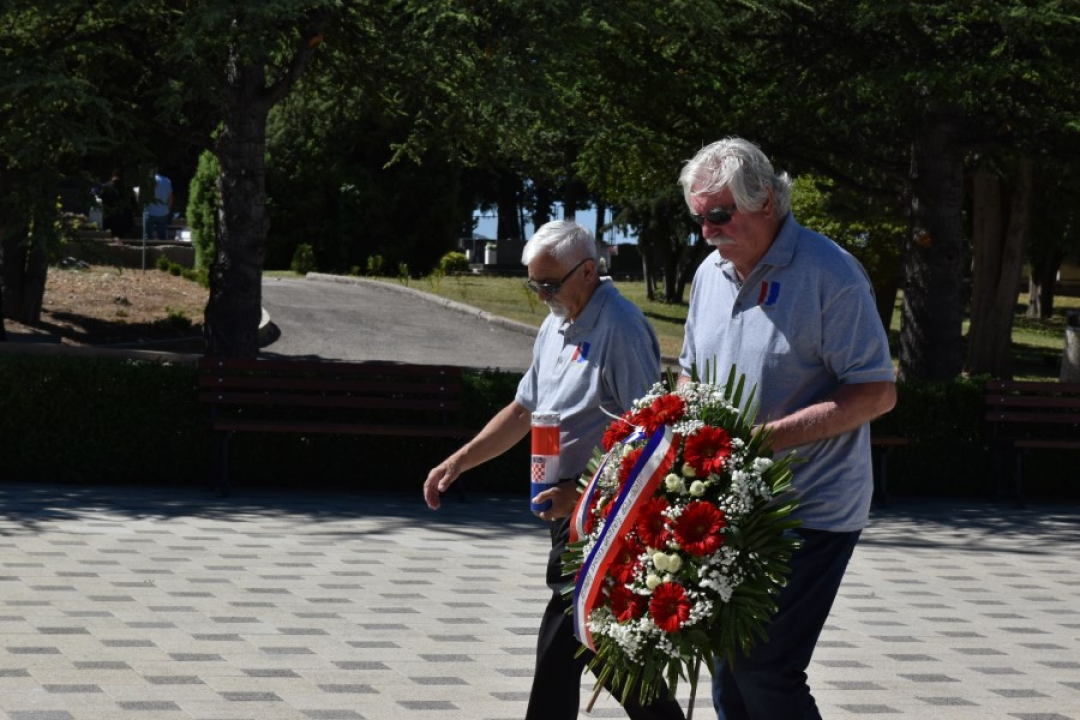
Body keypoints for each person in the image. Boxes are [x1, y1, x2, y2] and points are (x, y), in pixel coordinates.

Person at [424, 220, 685, 720]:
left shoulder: (623, 329)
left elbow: (651, 437)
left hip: (602, 517)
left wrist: (583, 494)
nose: (541, 296)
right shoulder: (556, 322)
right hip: (565, 511)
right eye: (533, 285)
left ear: (587, 271)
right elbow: (523, 410)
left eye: (549, 284)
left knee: (566, 630)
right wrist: (458, 462)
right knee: (602, 642)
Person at [676, 137, 897, 720]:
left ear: (767, 200)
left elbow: (876, 391)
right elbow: (690, 376)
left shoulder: (832, 274)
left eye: (720, 215)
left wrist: (761, 440)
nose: (707, 231)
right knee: (730, 673)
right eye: (699, 218)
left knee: (766, 669)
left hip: (811, 509)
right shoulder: (709, 275)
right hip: (729, 506)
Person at [99, 169, 136, 239]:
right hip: (123, 218)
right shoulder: (127, 187)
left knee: (111, 238)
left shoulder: (106, 186)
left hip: (111, 218)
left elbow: (101, 198)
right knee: (123, 238)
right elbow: (133, 202)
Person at [142, 167, 173, 241]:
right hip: (163, 212)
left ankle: (148, 251)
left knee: (147, 237)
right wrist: (167, 209)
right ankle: (162, 251)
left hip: (149, 212)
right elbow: (171, 197)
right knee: (162, 237)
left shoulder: (147, 181)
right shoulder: (167, 181)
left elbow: (141, 196)